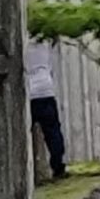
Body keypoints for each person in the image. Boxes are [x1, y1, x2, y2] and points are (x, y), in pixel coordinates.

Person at [26, 40, 67, 182]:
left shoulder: (22, 40)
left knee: (23, 134)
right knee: (53, 131)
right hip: (46, 89)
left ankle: (25, 170)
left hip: (29, 93)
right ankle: (58, 166)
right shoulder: (45, 41)